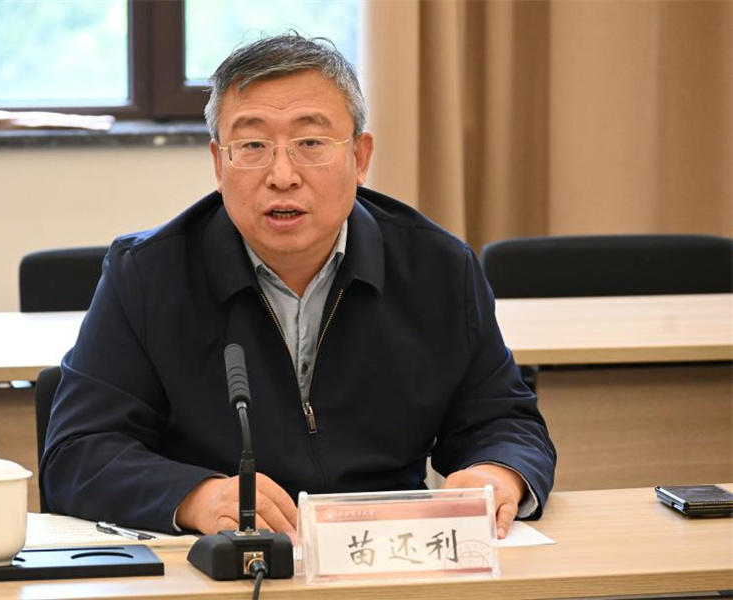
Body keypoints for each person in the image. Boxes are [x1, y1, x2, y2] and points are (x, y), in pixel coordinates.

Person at [41, 33, 556, 542]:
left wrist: (497, 471)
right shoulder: (147, 276)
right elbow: (78, 452)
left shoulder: (438, 268)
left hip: (385, 555)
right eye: (252, 146)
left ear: (360, 157)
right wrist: (198, 496)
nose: (282, 175)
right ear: (219, 163)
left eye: (311, 143)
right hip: (225, 559)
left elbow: (503, 420)